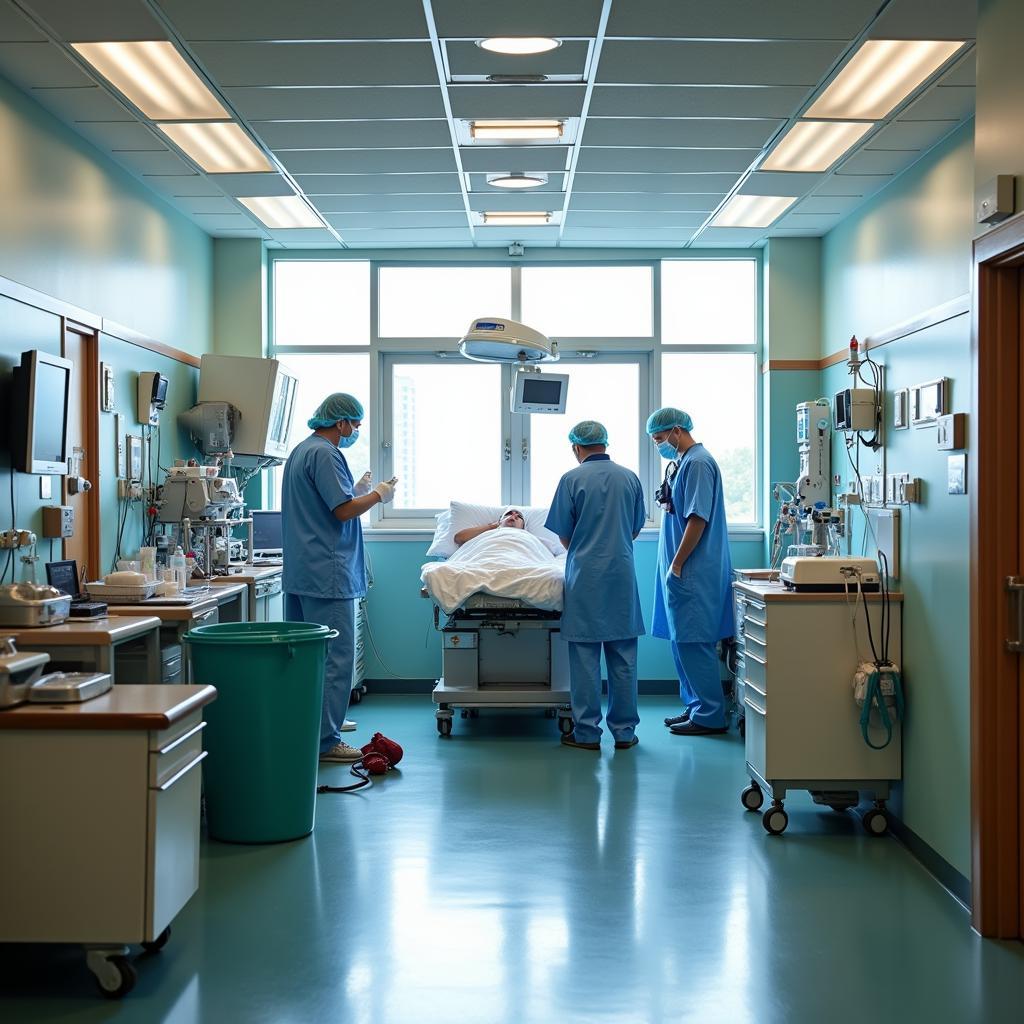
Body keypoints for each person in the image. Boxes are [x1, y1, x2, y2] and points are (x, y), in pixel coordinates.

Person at [281, 392, 397, 763]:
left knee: (307, 658)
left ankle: (313, 727)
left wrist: (359, 490)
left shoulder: (302, 451)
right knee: (334, 658)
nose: (356, 430)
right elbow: (343, 511)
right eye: (355, 424)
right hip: (327, 572)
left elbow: (328, 501)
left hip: (303, 570)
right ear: (341, 422)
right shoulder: (326, 453)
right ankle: (326, 741)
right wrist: (379, 495)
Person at [545, 420, 646, 751]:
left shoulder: (571, 479)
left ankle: (587, 733)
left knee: (585, 659)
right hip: (620, 574)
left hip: (585, 577)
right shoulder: (629, 478)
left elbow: (562, 533)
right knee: (623, 659)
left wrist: (587, 547)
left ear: (576, 447)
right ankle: (625, 733)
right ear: (605, 443)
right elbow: (633, 528)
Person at [647, 407, 734, 736]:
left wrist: (679, 562)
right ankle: (696, 707)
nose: (660, 445)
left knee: (694, 641)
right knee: (681, 641)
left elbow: (698, 519)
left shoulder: (698, 463)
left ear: (677, 431)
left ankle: (710, 715)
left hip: (693, 570)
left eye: (660, 439)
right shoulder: (683, 462)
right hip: (682, 569)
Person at [453, 507, 525, 547]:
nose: (513, 516)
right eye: (509, 514)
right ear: (500, 520)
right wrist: (493, 526)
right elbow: (459, 538)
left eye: (519, 516)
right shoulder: (488, 533)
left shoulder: (527, 538)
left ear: (522, 526)